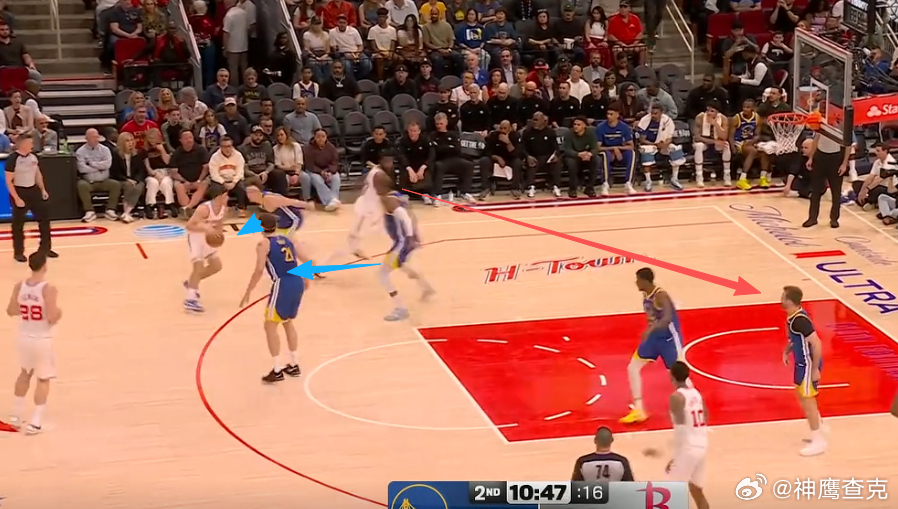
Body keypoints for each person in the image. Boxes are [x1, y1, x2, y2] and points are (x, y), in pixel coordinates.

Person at [239, 214, 309, 383]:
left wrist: (248, 291)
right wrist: (307, 280)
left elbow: (258, 270)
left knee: (270, 325)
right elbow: (308, 260)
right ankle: (294, 364)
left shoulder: (263, 244)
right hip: (297, 281)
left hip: (282, 284)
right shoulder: (287, 240)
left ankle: (277, 370)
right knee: (287, 322)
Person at [5, 252, 61, 435]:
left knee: (24, 374)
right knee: (43, 379)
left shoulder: (19, 286)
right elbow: (51, 317)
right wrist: (59, 312)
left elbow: (11, 311)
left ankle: (15, 416)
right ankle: (35, 423)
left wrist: (26, 307)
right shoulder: (48, 289)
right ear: (44, 265)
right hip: (41, 338)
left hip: (24, 336)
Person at [621, 267, 684, 424]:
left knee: (678, 375)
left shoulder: (660, 295)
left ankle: (691, 405)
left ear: (645, 281)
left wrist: (650, 330)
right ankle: (639, 410)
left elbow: (667, 318)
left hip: (669, 340)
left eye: (638, 280)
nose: (636, 283)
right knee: (633, 367)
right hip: (654, 339)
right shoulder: (646, 294)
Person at [373, 164, 435, 321]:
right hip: (404, 242)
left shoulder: (388, 200)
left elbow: (405, 217)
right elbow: (411, 215)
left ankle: (401, 309)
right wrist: (415, 235)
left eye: (375, 184)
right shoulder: (395, 195)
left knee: (382, 275)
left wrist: (409, 236)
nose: (373, 187)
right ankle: (426, 287)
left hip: (401, 244)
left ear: (382, 185)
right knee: (401, 265)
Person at [781, 285, 826, 456]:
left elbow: (817, 343)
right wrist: (787, 350)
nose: (781, 299)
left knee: (808, 401)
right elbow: (796, 339)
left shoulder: (800, 320)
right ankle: (820, 429)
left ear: (790, 301)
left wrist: (814, 369)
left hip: (808, 365)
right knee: (802, 397)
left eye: (783, 297)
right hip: (801, 364)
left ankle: (818, 441)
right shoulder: (792, 317)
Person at [660, 362, 709, 509]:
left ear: (672, 377)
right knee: (696, 489)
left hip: (688, 447)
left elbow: (681, 429)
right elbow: (705, 416)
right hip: (702, 445)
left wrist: (676, 456)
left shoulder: (676, 397)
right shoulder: (696, 393)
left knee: (669, 492)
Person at [326, 152, 389, 263]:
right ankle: (325, 262)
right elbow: (379, 190)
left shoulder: (377, 172)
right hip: (367, 205)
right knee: (359, 231)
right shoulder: (377, 174)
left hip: (370, 204)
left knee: (364, 229)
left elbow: (367, 186)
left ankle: (356, 247)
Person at [4, 136, 56, 263]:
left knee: (44, 219)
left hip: (33, 190)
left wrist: (42, 189)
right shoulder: (13, 159)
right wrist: (16, 198)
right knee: (18, 224)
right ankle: (18, 252)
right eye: (30, 142)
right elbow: (9, 181)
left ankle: (45, 248)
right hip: (19, 191)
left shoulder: (33, 157)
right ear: (23, 144)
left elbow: (38, 174)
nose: (32, 144)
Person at [245, 185, 318, 272]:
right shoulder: (262, 200)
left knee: (290, 243)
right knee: (283, 241)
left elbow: (290, 201)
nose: (247, 196)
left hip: (292, 220)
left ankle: (311, 265)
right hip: (283, 221)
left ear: (256, 193)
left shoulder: (269, 199)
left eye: (249, 193)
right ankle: (310, 264)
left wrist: (307, 205)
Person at [183, 183, 229, 313]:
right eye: (226, 195)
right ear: (219, 196)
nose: (228, 197)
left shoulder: (224, 209)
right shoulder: (204, 209)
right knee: (198, 268)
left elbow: (219, 224)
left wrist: (218, 235)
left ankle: (191, 283)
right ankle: (190, 299)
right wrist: (206, 228)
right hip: (196, 238)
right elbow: (189, 225)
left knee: (216, 266)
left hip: (208, 239)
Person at [804, 131, 850, 229]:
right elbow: (816, 140)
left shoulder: (844, 127)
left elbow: (848, 146)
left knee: (836, 192)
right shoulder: (821, 125)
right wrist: (811, 158)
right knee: (815, 190)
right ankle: (812, 218)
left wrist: (844, 164)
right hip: (820, 157)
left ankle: (834, 219)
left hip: (836, 158)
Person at [637, 102, 685, 192]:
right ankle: (648, 181)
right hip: (649, 144)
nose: (653, 115)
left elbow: (670, 138)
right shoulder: (645, 120)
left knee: (675, 149)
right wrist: (654, 144)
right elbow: (642, 139)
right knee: (646, 151)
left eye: (656, 113)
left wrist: (664, 145)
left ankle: (675, 179)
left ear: (661, 113)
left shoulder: (667, 121)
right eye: (652, 113)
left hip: (663, 144)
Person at [596, 104, 635, 196]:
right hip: (607, 150)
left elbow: (631, 146)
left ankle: (628, 183)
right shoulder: (600, 127)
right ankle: (605, 183)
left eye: (611, 114)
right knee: (605, 155)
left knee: (631, 153)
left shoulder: (624, 127)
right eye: (607, 114)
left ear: (617, 115)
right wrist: (613, 149)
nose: (608, 116)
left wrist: (618, 148)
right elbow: (598, 147)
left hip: (620, 151)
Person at [570, 426, 635, 481]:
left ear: (595, 440)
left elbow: (575, 487)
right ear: (612, 440)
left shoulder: (582, 462)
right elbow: (630, 487)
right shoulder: (622, 461)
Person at [692, 101, 731, 187]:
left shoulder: (723, 118)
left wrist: (715, 124)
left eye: (712, 111)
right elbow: (697, 137)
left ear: (717, 112)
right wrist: (714, 142)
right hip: (703, 141)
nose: (709, 113)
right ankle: (699, 177)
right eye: (708, 110)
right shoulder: (700, 117)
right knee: (699, 146)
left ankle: (727, 176)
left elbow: (724, 137)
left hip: (717, 141)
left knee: (726, 145)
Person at [731, 99, 761, 191]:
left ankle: (764, 177)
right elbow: (730, 136)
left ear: (753, 108)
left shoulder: (757, 117)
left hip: (751, 141)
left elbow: (757, 134)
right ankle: (742, 179)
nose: (745, 109)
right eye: (744, 107)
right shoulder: (737, 118)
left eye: (748, 107)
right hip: (739, 142)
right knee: (752, 151)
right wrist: (732, 148)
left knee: (765, 150)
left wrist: (754, 140)